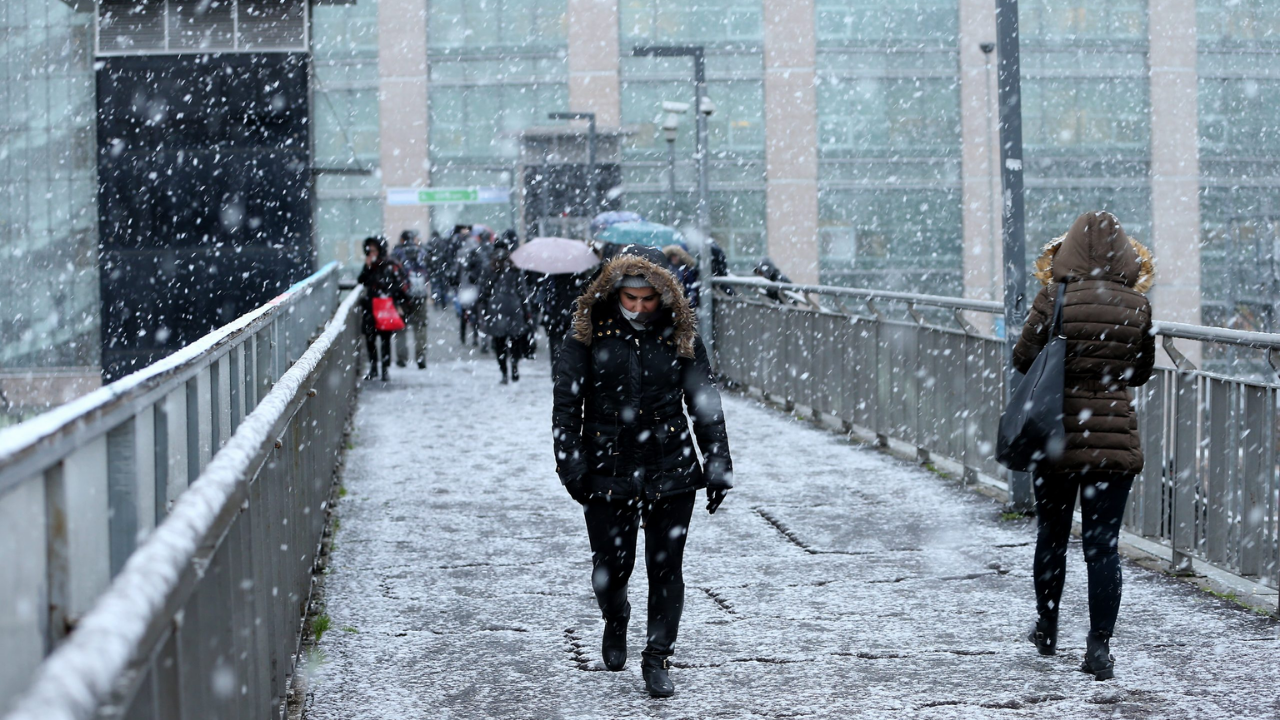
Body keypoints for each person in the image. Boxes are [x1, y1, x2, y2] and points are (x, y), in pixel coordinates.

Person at [551, 246, 733, 698]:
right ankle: (616, 616)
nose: (637, 307)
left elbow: (704, 401)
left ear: (662, 295)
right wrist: (571, 465)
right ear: (614, 293)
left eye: (647, 298)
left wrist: (717, 461)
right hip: (606, 467)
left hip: (670, 465)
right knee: (611, 568)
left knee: (666, 566)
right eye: (629, 298)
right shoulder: (586, 333)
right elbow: (566, 405)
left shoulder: (680, 333)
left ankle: (657, 656)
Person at [1012, 211, 1155, 681]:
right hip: (1112, 442)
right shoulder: (1137, 304)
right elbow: (1140, 371)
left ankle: (1048, 628)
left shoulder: (1055, 296)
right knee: (1102, 547)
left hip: (1055, 437)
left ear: (1068, 249)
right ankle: (1098, 648)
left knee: (1053, 536)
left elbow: (1022, 359)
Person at [478, 236, 534, 384]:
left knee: (499, 342)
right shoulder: (515, 266)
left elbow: (484, 291)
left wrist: (483, 310)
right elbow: (522, 291)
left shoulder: (489, 267)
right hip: (514, 306)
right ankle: (514, 364)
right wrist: (527, 311)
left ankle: (504, 372)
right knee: (515, 339)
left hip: (496, 308)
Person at [357, 235, 408, 382]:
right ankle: (373, 368)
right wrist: (367, 267)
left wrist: (397, 303)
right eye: (370, 250)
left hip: (385, 306)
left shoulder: (389, 265)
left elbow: (397, 286)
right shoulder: (369, 266)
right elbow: (361, 280)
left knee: (385, 339)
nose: (372, 253)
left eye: (375, 250)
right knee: (370, 339)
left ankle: (384, 369)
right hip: (370, 306)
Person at [391, 229, 430, 369]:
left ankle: (401, 357)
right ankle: (420, 357)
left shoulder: (396, 254)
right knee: (420, 327)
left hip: (402, 296)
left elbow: (392, 275)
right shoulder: (421, 252)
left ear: (401, 240)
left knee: (401, 328)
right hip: (420, 295)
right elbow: (428, 270)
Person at [662, 245, 700, 309]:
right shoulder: (666, 267)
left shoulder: (686, 270)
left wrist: (690, 302)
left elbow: (691, 286)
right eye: (672, 256)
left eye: (676, 256)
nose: (674, 258)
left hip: (683, 300)